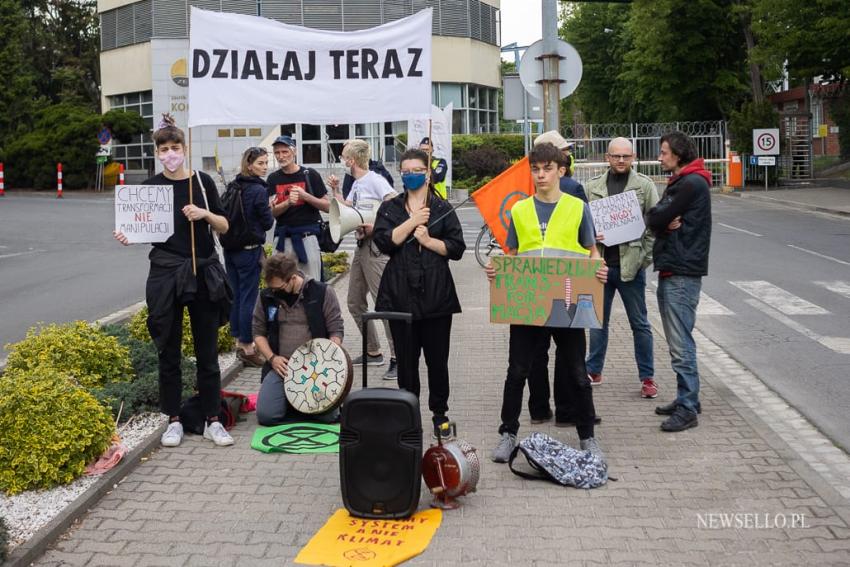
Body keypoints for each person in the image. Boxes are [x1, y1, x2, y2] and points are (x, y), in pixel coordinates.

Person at [113, 113, 233, 448]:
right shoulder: (149, 189)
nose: (170, 153)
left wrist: (204, 214)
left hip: (202, 272)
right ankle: (174, 418)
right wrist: (128, 237)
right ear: (157, 152)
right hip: (165, 276)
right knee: (168, 349)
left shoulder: (202, 182)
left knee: (207, 350)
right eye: (163, 148)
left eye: (175, 146)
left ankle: (212, 418)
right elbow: (142, 229)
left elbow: (224, 226)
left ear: (184, 147)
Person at [486, 142, 608, 464]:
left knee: (578, 373)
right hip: (528, 301)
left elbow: (590, 249)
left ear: (561, 171)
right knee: (517, 371)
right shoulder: (520, 210)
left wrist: (599, 267)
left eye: (547, 169)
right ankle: (507, 433)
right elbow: (511, 253)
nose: (541, 175)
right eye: (536, 169)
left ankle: (588, 437)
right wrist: (497, 268)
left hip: (567, 300)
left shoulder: (578, 208)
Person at [373, 148, 466, 438]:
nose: (410, 174)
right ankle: (407, 411)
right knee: (407, 360)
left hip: (436, 295)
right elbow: (384, 242)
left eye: (416, 170)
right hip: (400, 295)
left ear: (428, 173)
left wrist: (428, 241)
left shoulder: (441, 208)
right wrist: (412, 223)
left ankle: (440, 413)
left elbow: (456, 248)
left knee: (437, 361)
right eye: (405, 170)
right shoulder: (390, 208)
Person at [645, 131, 712, 432]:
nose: (660, 157)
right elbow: (659, 219)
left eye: (664, 152)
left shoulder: (689, 183)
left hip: (682, 270)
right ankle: (688, 398)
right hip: (677, 267)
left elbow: (656, 218)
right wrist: (661, 221)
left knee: (681, 342)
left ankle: (687, 407)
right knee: (677, 339)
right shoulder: (684, 182)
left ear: (679, 154)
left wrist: (661, 221)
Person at [585, 138, 659, 398]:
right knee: (596, 323)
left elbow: (655, 225)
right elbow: (582, 226)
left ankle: (647, 378)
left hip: (631, 267)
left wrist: (644, 258)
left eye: (625, 156)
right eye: (616, 156)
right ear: (607, 157)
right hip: (601, 267)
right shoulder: (592, 186)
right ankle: (593, 370)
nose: (620, 160)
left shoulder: (644, 186)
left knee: (640, 324)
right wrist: (592, 238)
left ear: (633, 157)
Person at [525, 129, 588, 425]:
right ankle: (565, 410)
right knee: (567, 353)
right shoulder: (572, 188)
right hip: (566, 283)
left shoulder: (522, 189)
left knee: (537, 353)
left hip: (535, 282)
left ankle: (538, 409)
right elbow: (588, 235)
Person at [331, 139, 398, 379]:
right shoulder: (358, 183)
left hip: (375, 247)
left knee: (384, 302)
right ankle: (373, 351)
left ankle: (397, 357)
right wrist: (336, 192)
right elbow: (349, 208)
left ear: (351, 160)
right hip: (362, 247)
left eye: (343, 156)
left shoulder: (374, 179)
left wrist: (377, 226)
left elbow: (394, 201)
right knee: (354, 301)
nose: (342, 160)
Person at [252, 253, 345, 425]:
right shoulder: (266, 296)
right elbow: (258, 333)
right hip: (283, 367)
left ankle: (298, 403)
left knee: (328, 417)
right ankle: (293, 402)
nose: (275, 292)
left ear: (293, 278)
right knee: (266, 416)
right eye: (272, 288)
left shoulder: (323, 292)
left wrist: (328, 356)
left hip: (315, 368)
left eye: (278, 289)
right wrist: (272, 359)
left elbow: (336, 330)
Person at [224, 147, 275, 367]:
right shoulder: (258, 190)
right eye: (261, 163)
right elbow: (267, 223)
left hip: (231, 248)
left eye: (266, 163)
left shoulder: (234, 185)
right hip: (249, 249)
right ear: (250, 164)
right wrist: (271, 207)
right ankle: (247, 346)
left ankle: (237, 340)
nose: (265, 167)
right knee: (248, 298)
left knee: (236, 296)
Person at [267, 135, 329, 281]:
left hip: (308, 238)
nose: (281, 156)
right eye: (277, 153)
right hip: (283, 239)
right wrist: (288, 202)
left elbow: (327, 207)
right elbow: (271, 212)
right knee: (282, 282)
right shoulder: (272, 179)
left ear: (294, 152)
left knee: (311, 283)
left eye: (285, 152)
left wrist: (305, 196)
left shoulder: (310, 174)